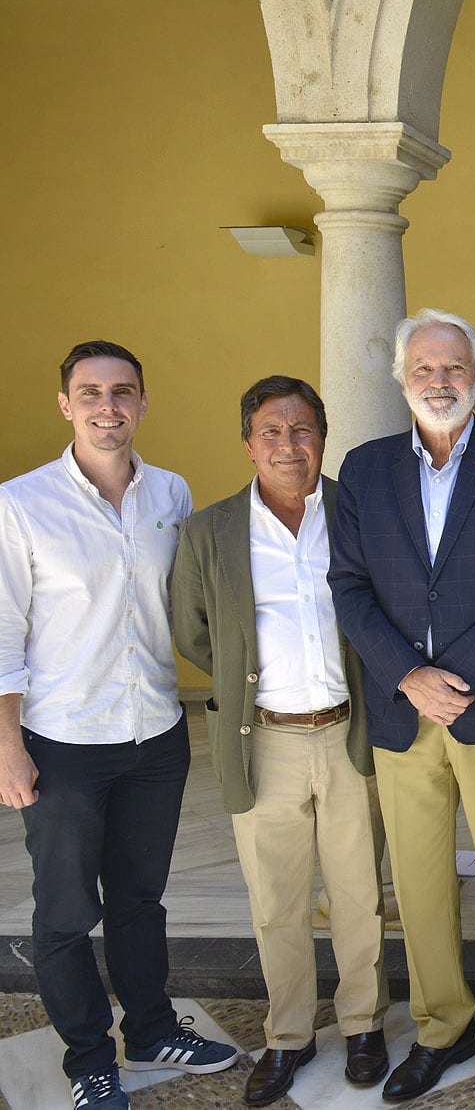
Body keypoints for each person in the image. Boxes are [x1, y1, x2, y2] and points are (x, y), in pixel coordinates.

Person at [328, 309, 475, 1104]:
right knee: (422, 884)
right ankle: (443, 1025)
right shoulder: (363, 469)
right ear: (402, 379)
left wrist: (451, 674)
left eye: (454, 367)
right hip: (405, 713)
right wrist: (408, 675)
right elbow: (350, 587)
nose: (440, 380)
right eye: (424, 368)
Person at [0, 341, 238, 1110]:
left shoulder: (170, 492)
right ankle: (88, 1057)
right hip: (63, 741)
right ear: (65, 403)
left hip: (154, 735)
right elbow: (1, 634)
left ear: (142, 401)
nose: (109, 405)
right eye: (91, 391)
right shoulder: (19, 504)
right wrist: (7, 746)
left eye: (123, 391)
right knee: (66, 912)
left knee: (140, 898)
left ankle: (152, 1027)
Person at [171, 376, 389, 1105]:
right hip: (262, 737)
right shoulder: (209, 531)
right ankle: (289, 1033)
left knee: (360, 892)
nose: (289, 445)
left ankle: (363, 1023)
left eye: (303, 430)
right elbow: (194, 630)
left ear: (322, 438)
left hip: (346, 731)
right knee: (277, 901)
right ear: (248, 442)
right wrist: (245, 676)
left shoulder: (356, 512)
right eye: (272, 431)